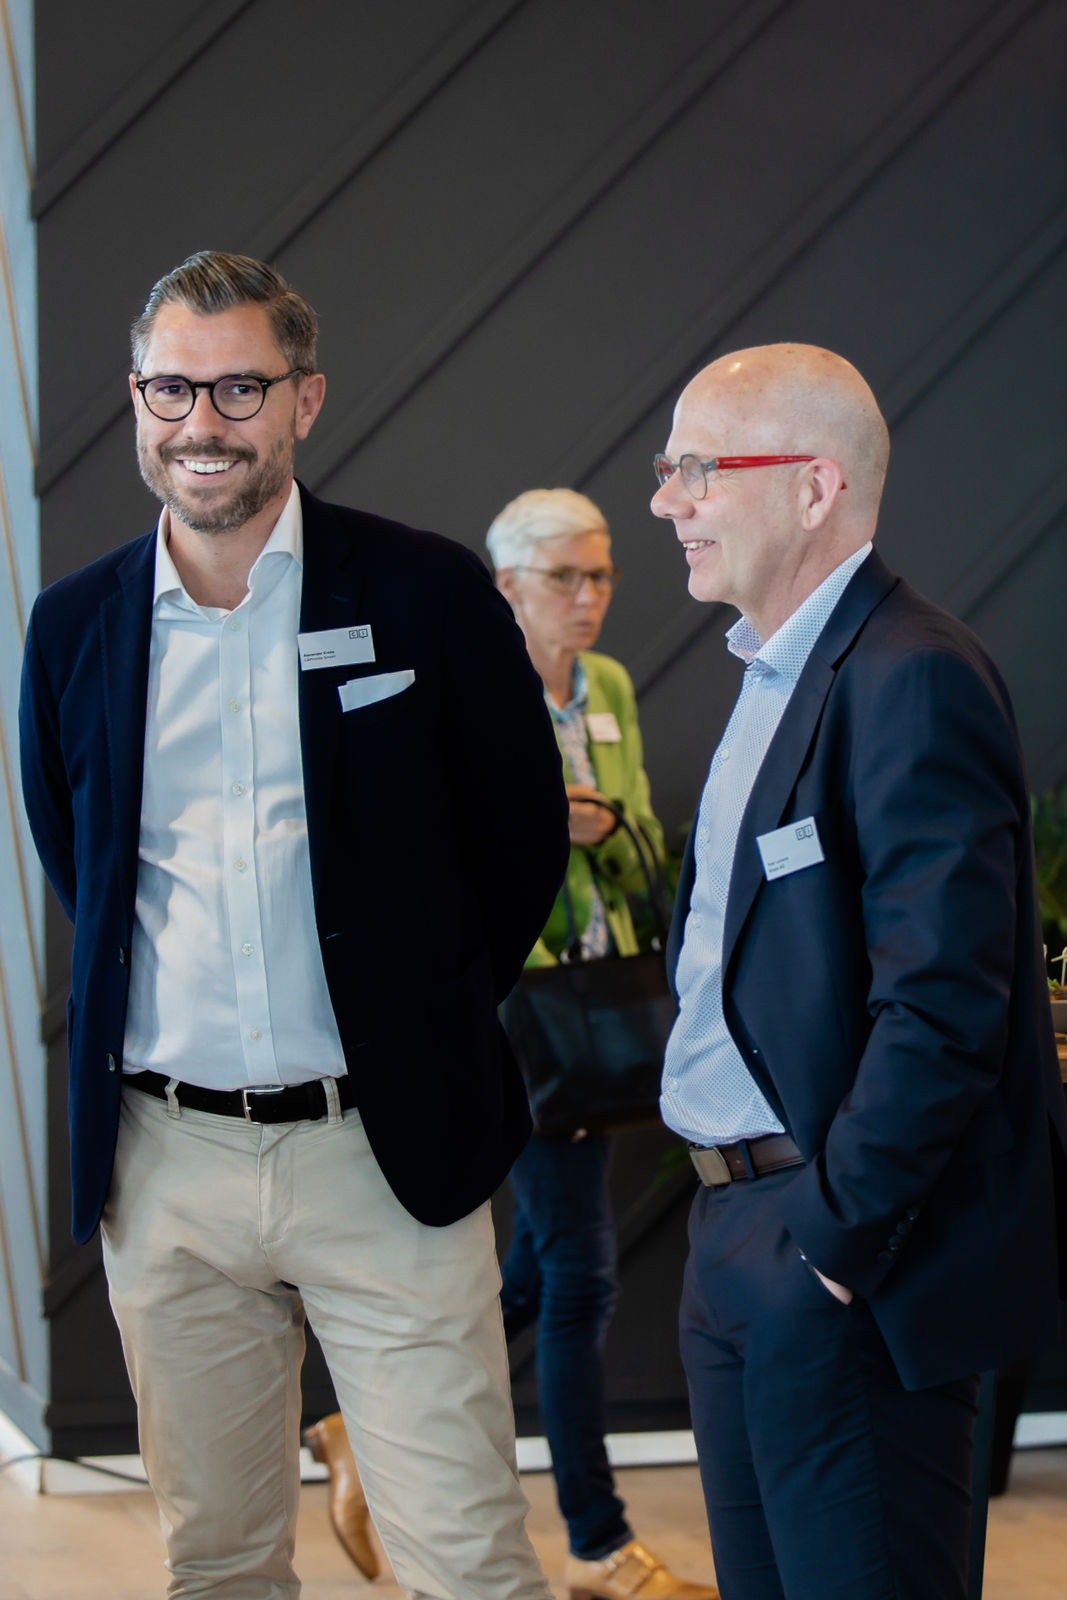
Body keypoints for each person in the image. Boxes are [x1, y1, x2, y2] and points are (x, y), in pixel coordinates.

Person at [18, 250, 570, 1600]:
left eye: (238, 388)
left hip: (381, 1156)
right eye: (170, 388)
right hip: (169, 1163)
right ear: (136, 400)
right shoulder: (73, 625)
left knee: (468, 1562)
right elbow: (76, 860)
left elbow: (518, 845)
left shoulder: (426, 595)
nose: (201, 422)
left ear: (303, 400)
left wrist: (409, 1014)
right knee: (216, 1563)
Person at [649, 342, 1067, 1600]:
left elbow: (944, 1000)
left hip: (836, 1257)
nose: (667, 500)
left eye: (697, 467)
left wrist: (829, 1242)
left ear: (813, 486)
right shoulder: (772, 674)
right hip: (732, 1230)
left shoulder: (910, 674)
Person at [488, 488, 718, 1600]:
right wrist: (543, 822)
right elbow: (459, 868)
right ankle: (596, 1539)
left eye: (600, 576)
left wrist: (610, 831)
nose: (587, 599)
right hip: (523, 1017)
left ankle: (357, 1412)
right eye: (563, 579)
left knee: (536, 1274)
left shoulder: (612, 687)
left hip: (614, 1006)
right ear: (507, 588)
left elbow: (638, 860)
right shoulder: (476, 697)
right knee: (578, 1277)